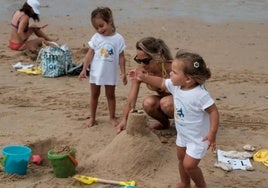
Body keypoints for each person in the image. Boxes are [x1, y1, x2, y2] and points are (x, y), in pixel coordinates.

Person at [130, 51, 219, 188]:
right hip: (183, 135)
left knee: (189, 165)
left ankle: (201, 186)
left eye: (174, 72)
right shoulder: (177, 86)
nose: (170, 74)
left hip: (198, 138)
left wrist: (212, 133)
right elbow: (161, 82)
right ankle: (185, 183)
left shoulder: (200, 95)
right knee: (181, 159)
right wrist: (143, 77)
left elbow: (213, 111)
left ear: (188, 79)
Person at [78, 7, 127, 128]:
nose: (99, 30)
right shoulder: (96, 37)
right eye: (96, 28)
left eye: (101, 26)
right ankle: (92, 117)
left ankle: (112, 117)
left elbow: (121, 57)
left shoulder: (118, 39)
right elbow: (89, 54)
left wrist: (123, 73)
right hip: (96, 73)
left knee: (111, 96)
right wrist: (84, 69)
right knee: (94, 95)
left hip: (110, 73)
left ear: (110, 21)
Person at [116, 37, 174, 134]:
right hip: (166, 105)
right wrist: (124, 120)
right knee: (148, 103)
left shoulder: (171, 67)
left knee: (166, 103)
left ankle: (185, 127)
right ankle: (165, 124)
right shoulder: (141, 71)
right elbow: (131, 101)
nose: (142, 65)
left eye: (146, 61)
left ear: (157, 55)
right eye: (139, 61)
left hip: (183, 104)